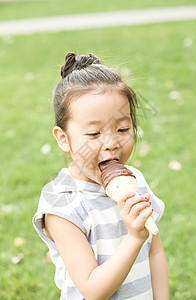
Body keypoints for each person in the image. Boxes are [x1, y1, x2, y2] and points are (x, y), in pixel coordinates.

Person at [33, 53, 169, 300]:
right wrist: (134, 239)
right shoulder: (61, 202)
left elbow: (155, 254)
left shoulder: (135, 180)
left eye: (123, 129)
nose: (111, 143)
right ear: (64, 138)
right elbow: (93, 290)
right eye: (94, 133)